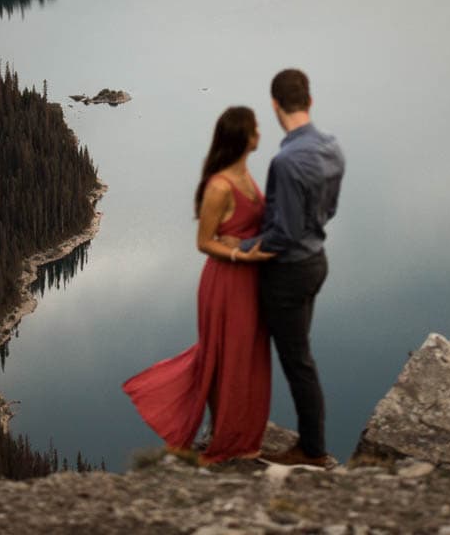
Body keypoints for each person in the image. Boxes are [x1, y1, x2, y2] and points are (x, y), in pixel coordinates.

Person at [122, 106, 276, 464]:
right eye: (254, 129)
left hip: (249, 281)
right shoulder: (219, 186)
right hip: (225, 282)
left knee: (247, 357)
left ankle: (241, 438)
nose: (259, 133)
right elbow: (204, 242)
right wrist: (242, 257)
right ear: (242, 137)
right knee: (225, 358)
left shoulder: (246, 177)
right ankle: (223, 443)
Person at [240, 68, 344, 469]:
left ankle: (312, 450)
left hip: (288, 271)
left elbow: (281, 234)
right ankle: (310, 444)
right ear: (310, 102)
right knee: (300, 355)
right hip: (317, 261)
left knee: (294, 359)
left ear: (274, 105)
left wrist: (238, 248)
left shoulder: (285, 161)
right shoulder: (333, 148)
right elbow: (328, 209)